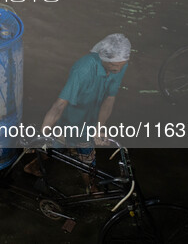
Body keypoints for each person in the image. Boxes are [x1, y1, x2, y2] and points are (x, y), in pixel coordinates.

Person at [25, 34, 131, 192]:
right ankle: (90, 185)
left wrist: (100, 126)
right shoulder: (83, 69)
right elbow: (59, 105)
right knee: (56, 147)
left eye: (122, 66)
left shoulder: (118, 66)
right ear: (104, 59)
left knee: (85, 154)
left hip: (90, 118)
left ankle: (90, 184)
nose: (119, 70)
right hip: (69, 120)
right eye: (115, 68)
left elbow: (110, 98)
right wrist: (43, 134)